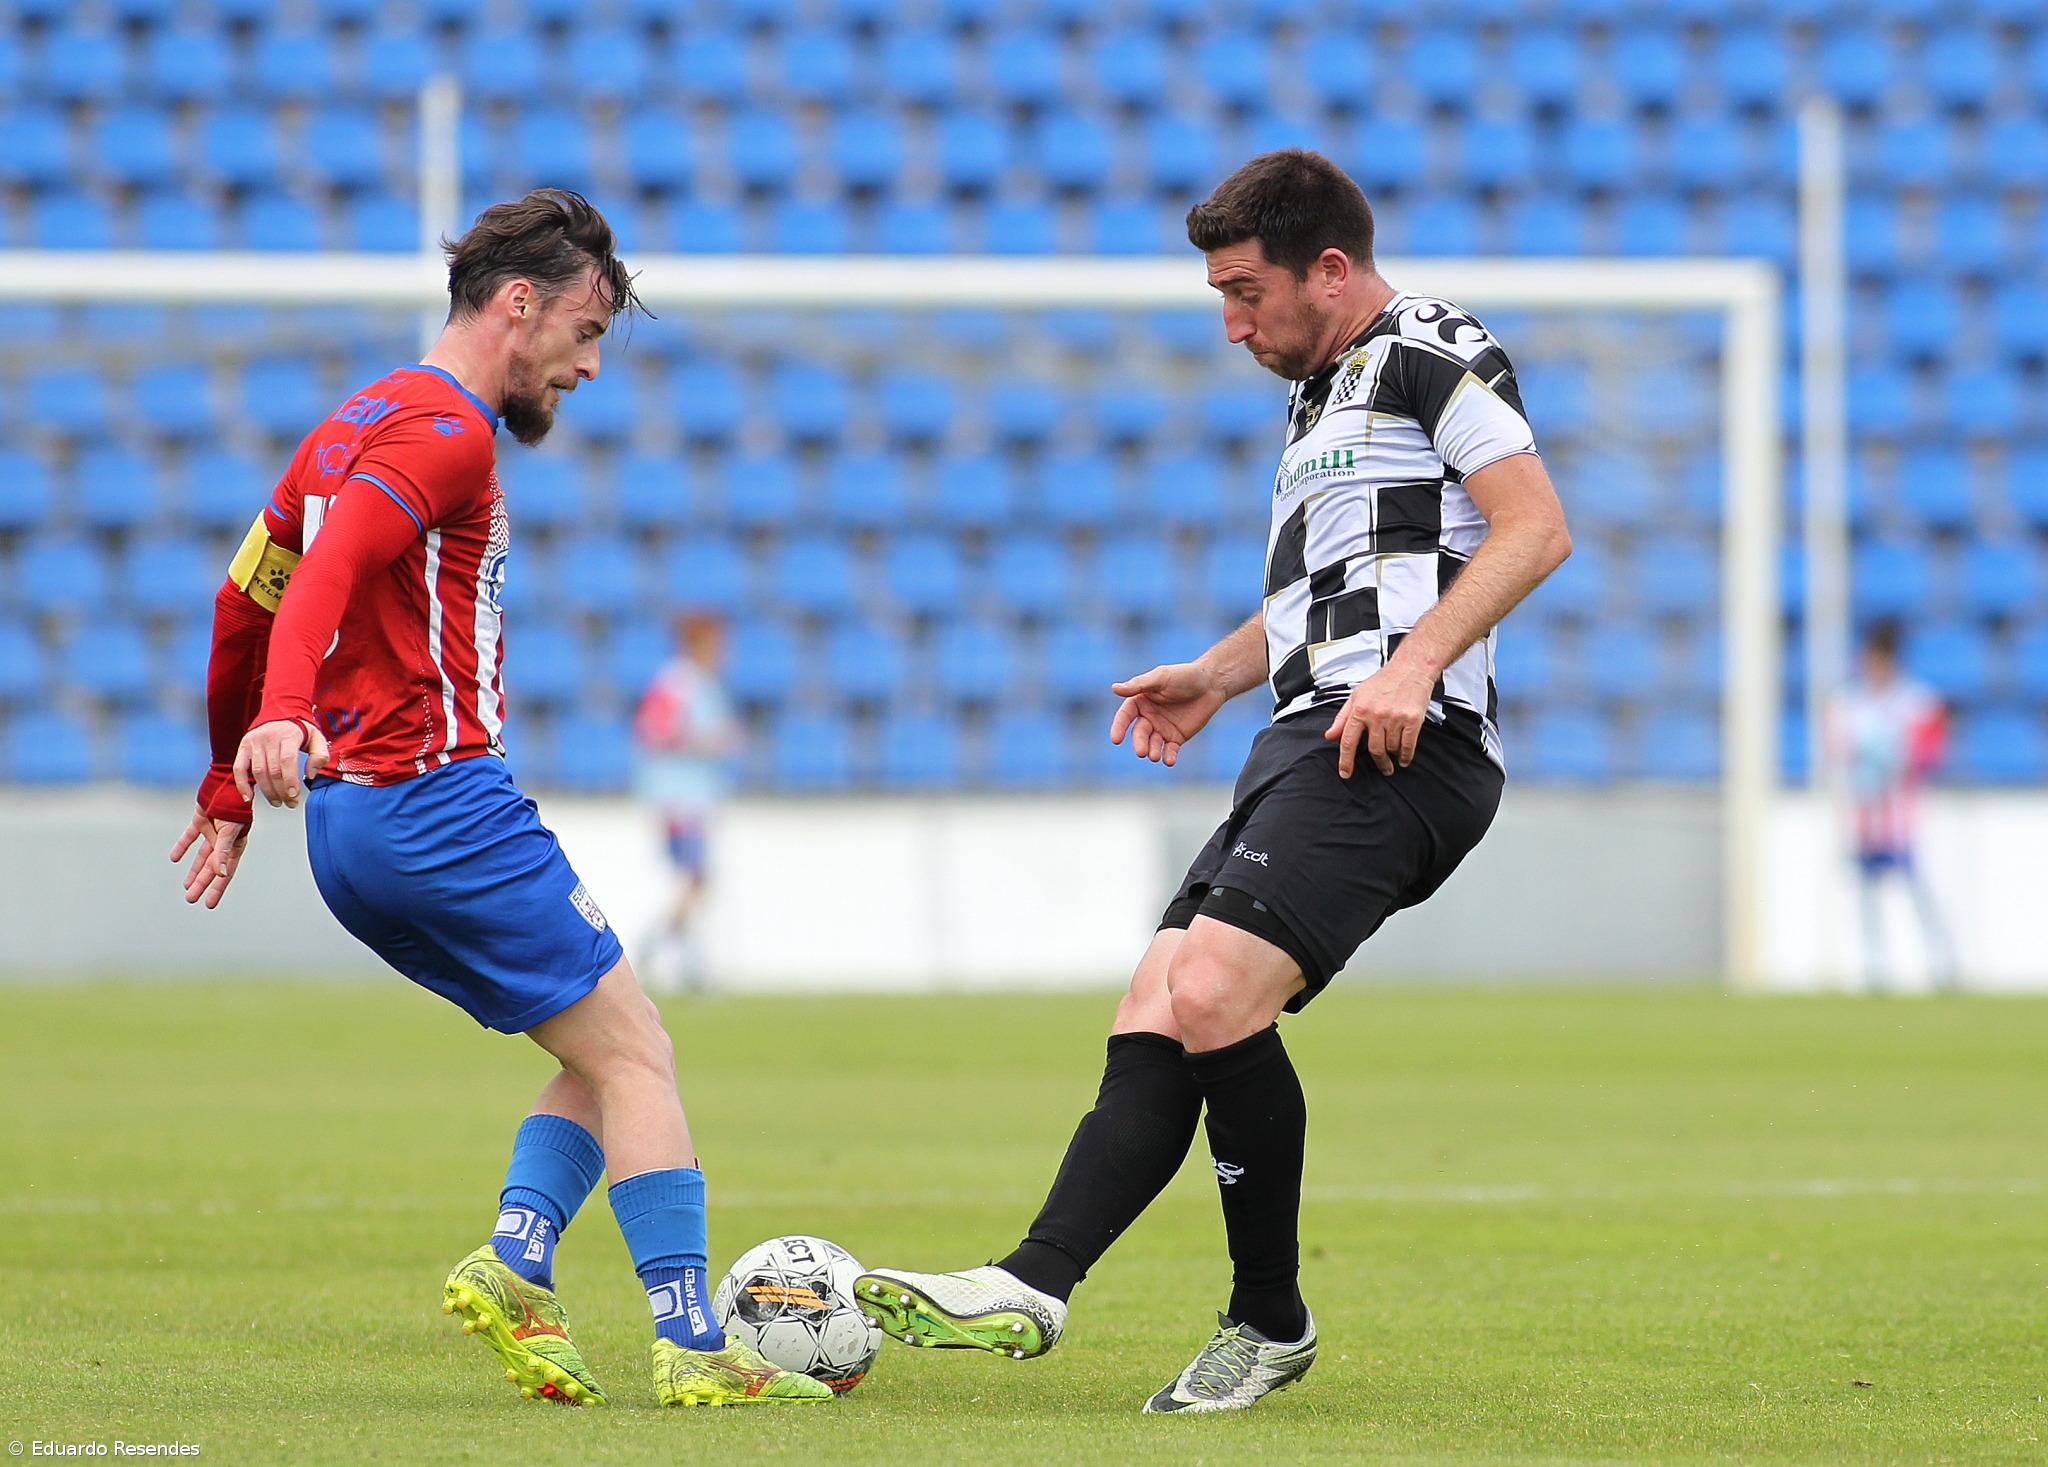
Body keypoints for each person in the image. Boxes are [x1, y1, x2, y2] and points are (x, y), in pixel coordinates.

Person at [854, 151, 1572, 1414]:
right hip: (1308, 726)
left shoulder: (1429, 346)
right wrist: (1219, 671)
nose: (1232, 322)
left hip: (1404, 740)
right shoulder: (1320, 394)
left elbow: (1533, 526)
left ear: (1330, 270)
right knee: (1156, 1004)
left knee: (1208, 986)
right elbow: (1330, 595)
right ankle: (1033, 1280)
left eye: (1246, 292)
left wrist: (1409, 671)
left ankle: (1266, 1321)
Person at [168, 188, 829, 1410]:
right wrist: (276, 714)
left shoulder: (343, 426)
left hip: (348, 830)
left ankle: (522, 1259)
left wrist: (228, 773)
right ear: (517, 303)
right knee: (642, 1056)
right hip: (438, 800)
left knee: (594, 1042)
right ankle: (692, 1347)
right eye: (583, 331)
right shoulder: (444, 433)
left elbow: (240, 600)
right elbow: (322, 579)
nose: (587, 365)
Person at [1829, 621, 1956, 989]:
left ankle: (1941, 965)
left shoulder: (1916, 702)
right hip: (1866, 817)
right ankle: (1876, 969)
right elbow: (1839, 751)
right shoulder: (1849, 703)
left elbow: (1931, 751)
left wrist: (1902, 761)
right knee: (1868, 894)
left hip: (1904, 818)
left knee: (1919, 892)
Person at [632, 610, 740, 993]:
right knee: (696, 879)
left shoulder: (701, 684)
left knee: (694, 881)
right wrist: (708, 741)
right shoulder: (676, 684)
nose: (724, 651)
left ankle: (687, 961)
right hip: (678, 799)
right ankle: (657, 944)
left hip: (696, 798)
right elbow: (653, 732)